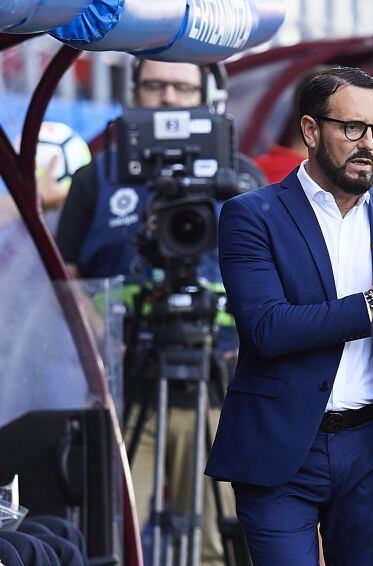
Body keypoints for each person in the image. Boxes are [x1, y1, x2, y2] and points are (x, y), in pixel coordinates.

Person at [205, 66, 373, 566]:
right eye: (352, 128)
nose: (369, 143)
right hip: (281, 444)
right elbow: (268, 328)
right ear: (311, 131)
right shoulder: (252, 214)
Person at [55, 58, 263, 566]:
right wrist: (94, 328)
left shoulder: (241, 177)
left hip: (219, 384)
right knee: (112, 536)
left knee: (218, 544)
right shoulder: (98, 175)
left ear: (207, 96)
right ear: (134, 91)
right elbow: (62, 271)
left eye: (181, 87)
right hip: (123, 386)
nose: (168, 98)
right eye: (155, 85)